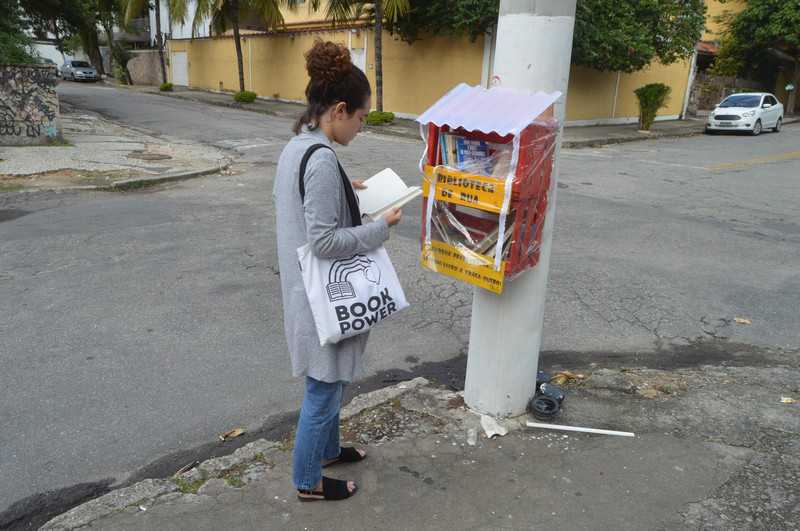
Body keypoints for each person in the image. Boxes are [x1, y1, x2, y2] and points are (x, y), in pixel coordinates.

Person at [272, 40, 402, 501]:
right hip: (320, 297)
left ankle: (327, 450)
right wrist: (378, 229)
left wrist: (349, 185)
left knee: (328, 382)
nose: (362, 127)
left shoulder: (301, 145)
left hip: (301, 290)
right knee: (324, 390)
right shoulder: (322, 160)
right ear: (340, 109)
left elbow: (304, 201)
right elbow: (325, 241)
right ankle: (307, 481)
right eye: (363, 118)